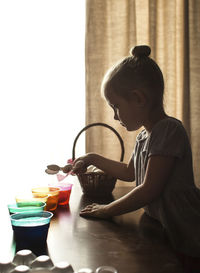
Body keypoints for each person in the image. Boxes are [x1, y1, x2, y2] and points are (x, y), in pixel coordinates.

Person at [63, 45, 200, 272]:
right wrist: (91, 157)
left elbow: (148, 189)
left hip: (187, 230)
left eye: (116, 106)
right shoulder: (144, 136)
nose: (115, 116)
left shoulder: (169, 130)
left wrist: (107, 210)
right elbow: (129, 172)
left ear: (138, 99)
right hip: (164, 228)